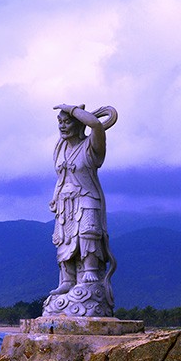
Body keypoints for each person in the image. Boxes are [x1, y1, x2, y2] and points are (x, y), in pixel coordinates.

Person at [45, 103, 118, 316]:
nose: (62, 126)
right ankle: (67, 280)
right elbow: (62, 177)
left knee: (88, 233)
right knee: (64, 239)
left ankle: (90, 271)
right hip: (65, 202)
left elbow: (96, 125)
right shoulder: (60, 147)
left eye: (67, 122)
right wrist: (56, 198)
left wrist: (72, 109)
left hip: (87, 198)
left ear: (78, 124)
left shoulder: (91, 146)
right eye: (60, 122)